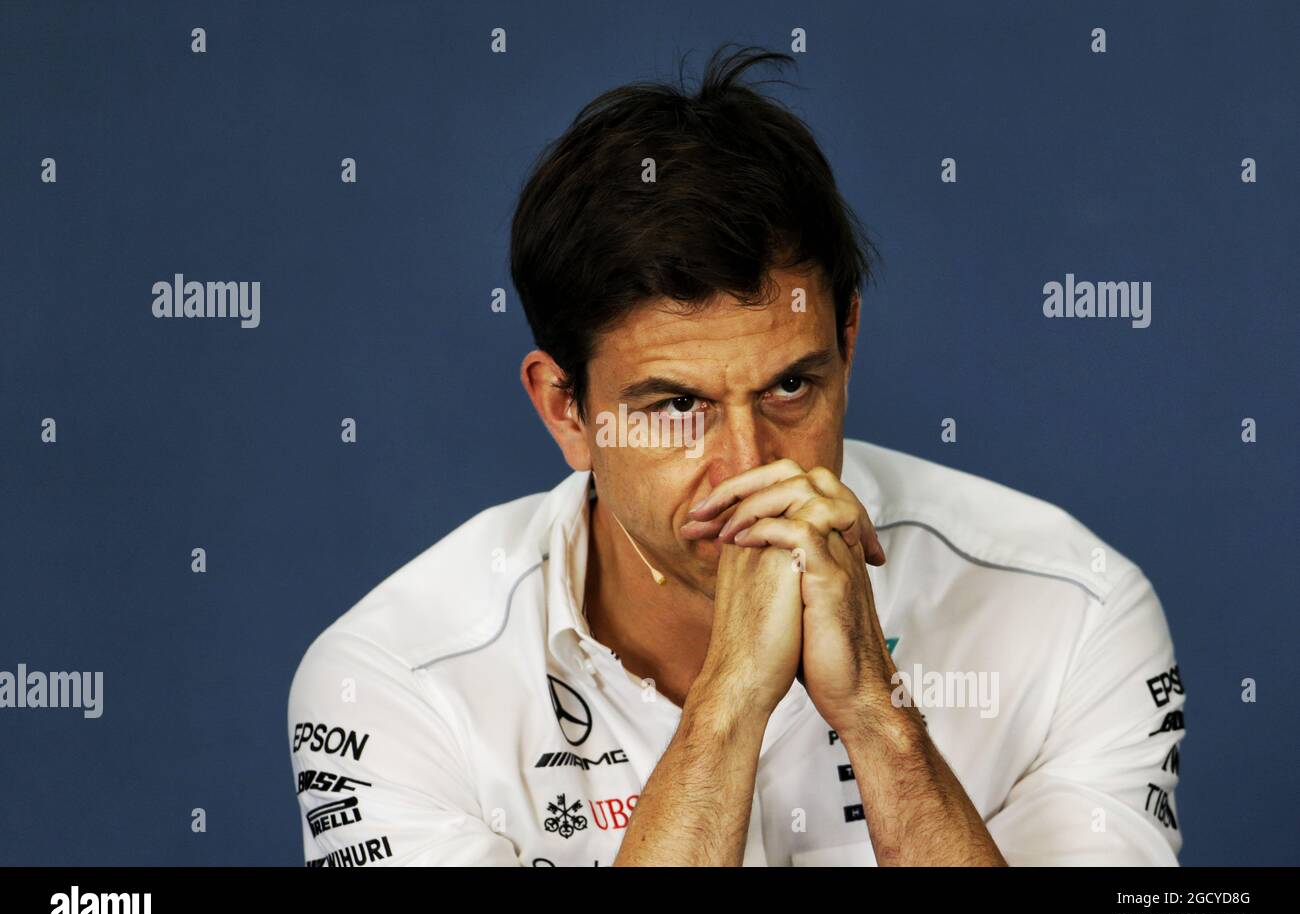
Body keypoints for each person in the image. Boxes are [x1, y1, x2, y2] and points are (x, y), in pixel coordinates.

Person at [287, 44, 1184, 867]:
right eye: (679, 407)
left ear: (850, 342)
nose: (750, 466)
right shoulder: (390, 688)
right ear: (567, 410)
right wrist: (724, 712)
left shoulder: (1072, 610)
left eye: (791, 387)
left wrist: (879, 718)